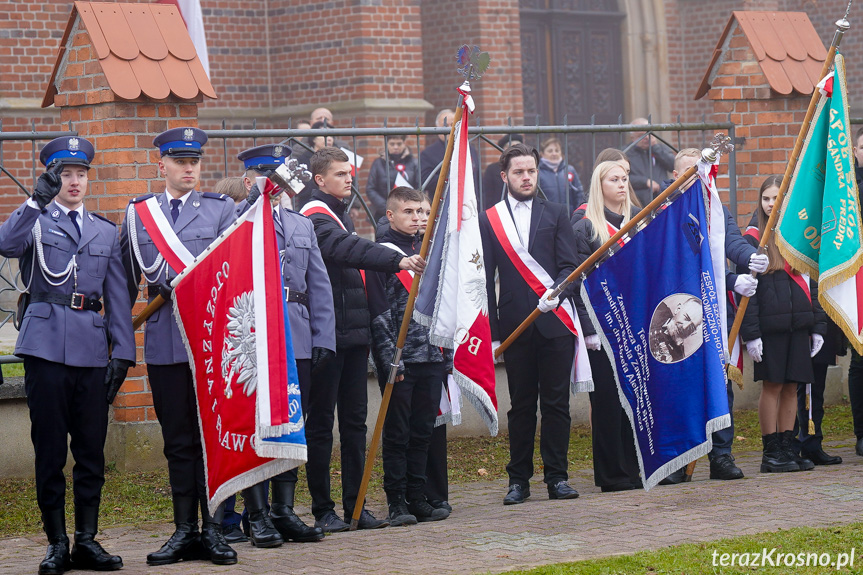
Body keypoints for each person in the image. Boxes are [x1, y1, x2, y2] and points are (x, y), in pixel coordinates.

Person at [0, 137, 135, 574]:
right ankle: (56, 542)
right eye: (65, 174)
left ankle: (87, 540)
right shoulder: (35, 221)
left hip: (92, 350)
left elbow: (117, 295)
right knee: (50, 449)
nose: (74, 182)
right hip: (45, 349)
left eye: (80, 174)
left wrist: (124, 353)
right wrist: (35, 200)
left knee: (92, 450)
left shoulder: (103, 229)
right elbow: (6, 243)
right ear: (52, 177)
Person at [120, 127, 239, 566]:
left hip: (208, 342)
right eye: (180, 161)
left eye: (195, 161)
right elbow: (125, 280)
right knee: (177, 441)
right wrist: (118, 341)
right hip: (166, 344)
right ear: (162, 165)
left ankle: (212, 529)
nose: (190, 168)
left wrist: (191, 284)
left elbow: (232, 270)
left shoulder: (220, 210)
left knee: (210, 438)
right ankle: (183, 529)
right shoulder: (139, 215)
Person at [299, 147, 425, 532]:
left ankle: (357, 507)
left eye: (349, 172)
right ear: (320, 180)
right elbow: (345, 249)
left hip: (353, 337)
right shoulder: (313, 216)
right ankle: (323, 508)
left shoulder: (342, 213)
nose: (348, 178)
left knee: (355, 425)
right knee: (321, 426)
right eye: (339, 174)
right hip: (326, 337)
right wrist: (395, 259)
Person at [229, 144, 336, 546]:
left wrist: (324, 337)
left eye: (280, 175)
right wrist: (255, 201)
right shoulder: (238, 218)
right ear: (249, 180)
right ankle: (256, 515)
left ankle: (284, 510)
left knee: (294, 422)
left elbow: (319, 285)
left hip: (298, 334)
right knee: (257, 424)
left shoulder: (300, 224)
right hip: (256, 335)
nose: (275, 184)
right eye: (265, 175)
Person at [479, 143, 581, 505]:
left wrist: (559, 292)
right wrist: (492, 334)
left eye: (532, 171)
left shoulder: (556, 213)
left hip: (554, 323)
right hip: (514, 327)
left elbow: (571, 267)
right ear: (505, 176)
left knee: (556, 405)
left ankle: (557, 478)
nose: (526, 177)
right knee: (521, 406)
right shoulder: (489, 219)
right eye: (519, 172)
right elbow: (483, 280)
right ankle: (518, 481)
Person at [367, 186, 451, 525]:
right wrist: (389, 358)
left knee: (423, 433)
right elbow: (378, 311)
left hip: (431, 357)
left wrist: (447, 353)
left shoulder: (432, 251)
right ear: (390, 215)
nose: (417, 218)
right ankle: (397, 502)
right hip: (402, 360)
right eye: (409, 212)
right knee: (398, 434)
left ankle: (419, 498)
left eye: (422, 212)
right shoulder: (381, 254)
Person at [741, 175, 827, 474]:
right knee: (773, 386)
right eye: (766, 198)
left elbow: (811, 285)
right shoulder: (752, 239)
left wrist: (818, 326)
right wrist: (751, 335)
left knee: (793, 387)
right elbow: (746, 292)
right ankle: (771, 451)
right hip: (770, 329)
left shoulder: (798, 236)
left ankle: (788, 447)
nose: (770, 203)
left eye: (776, 198)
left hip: (798, 325)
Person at [571, 160, 641, 491]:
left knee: (635, 398)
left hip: (636, 325)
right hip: (601, 327)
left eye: (625, 178)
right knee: (608, 403)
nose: (621, 184)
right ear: (599, 187)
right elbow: (579, 283)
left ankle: (636, 467)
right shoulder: (586, 228)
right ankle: (613, 474)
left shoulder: (641, 221)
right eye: (614, 179)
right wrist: (588, 329)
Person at [419, 109, 479, 198]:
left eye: (453, 124)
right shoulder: (428, 153)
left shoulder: (470, 149)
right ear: (437, 128)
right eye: (445, 125)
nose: (450, 129)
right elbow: (426, 180)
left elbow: (477, 178)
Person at [366, 135, 419, 220]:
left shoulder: (414, 163)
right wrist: (387, 207)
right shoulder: (378, 163)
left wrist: (409, 206)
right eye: (392, 144)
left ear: (404, 143)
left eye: (399, 144)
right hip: (382, 213)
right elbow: (370, 189)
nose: (395, 147)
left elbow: (419, 187)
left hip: (408, 212)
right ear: (386, 144)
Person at [625, 118, 675, 207]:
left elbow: (673, 166)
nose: (647, 138)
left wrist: (655, 148)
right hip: (638, 201)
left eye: (649, 133)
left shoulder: (660, 149)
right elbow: (624, 177)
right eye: (641, 135)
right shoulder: (626, 153)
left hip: (662, 199)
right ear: (633, 138)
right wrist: (645, 182)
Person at [537, 137, 583, 213]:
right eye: (550, 151)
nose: (554, 153)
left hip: (569, 217)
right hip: (547, 218)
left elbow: (579, 193)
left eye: (557, 150)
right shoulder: (538, 172)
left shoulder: (570, 170)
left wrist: (578, 213)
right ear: (542, 154)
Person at [482, 134, 523, 211]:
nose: (514, 150)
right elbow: (487, 196)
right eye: (510, 147)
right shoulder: (492, 169)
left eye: (518, 146)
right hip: (500, 211)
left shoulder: (527, 167)